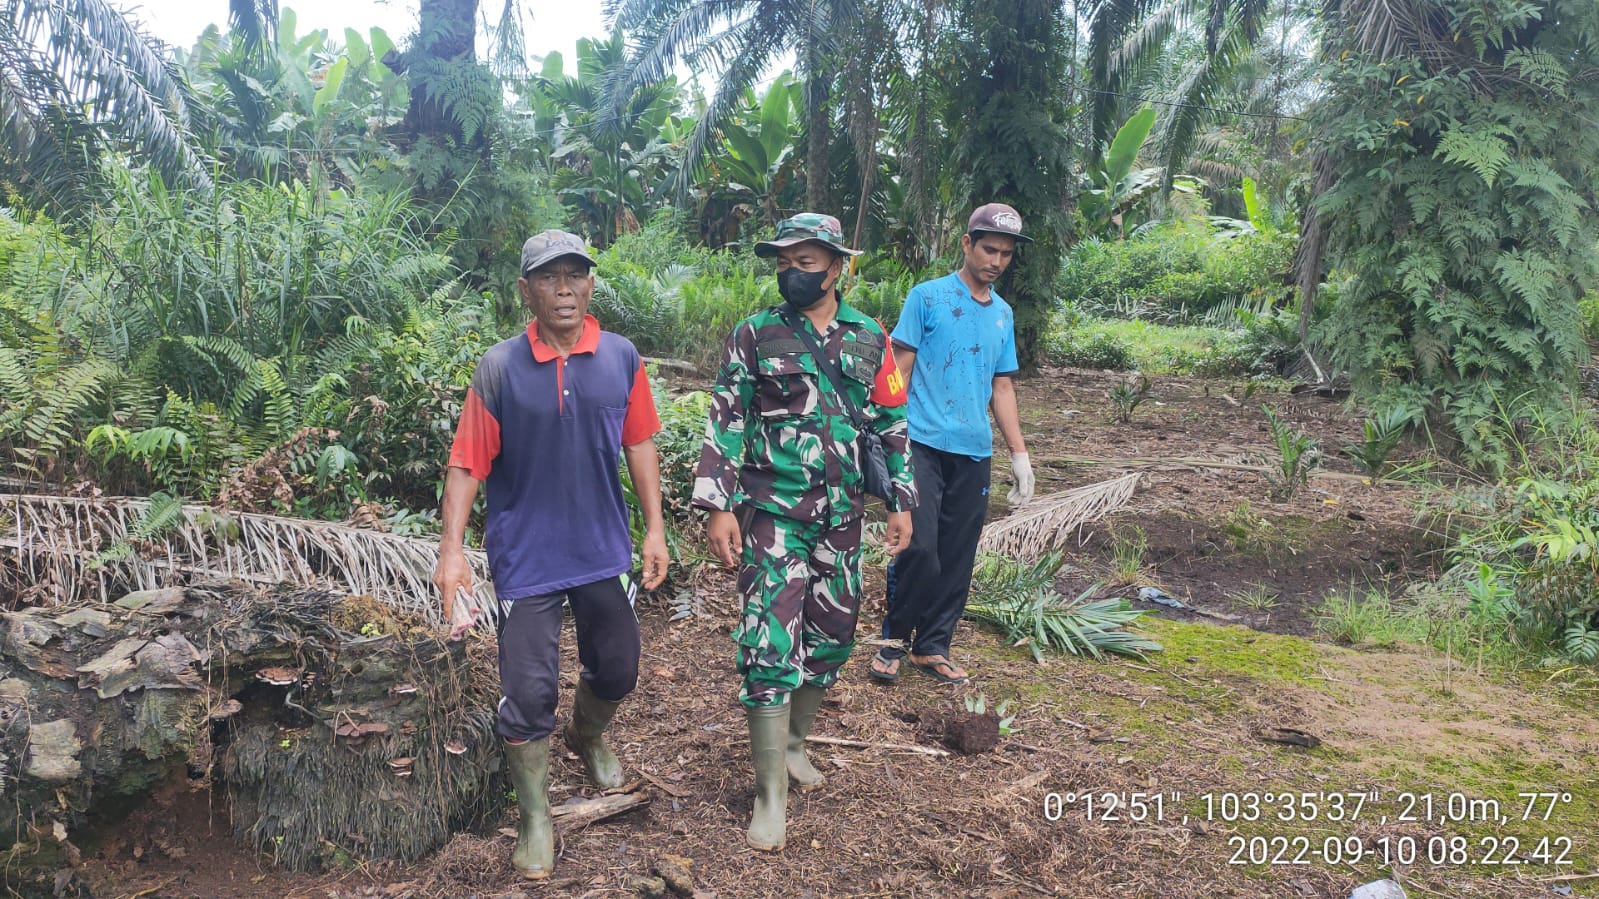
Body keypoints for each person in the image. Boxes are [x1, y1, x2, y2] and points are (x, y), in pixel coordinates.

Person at [431, 229, 669, 881]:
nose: (564, 288)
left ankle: (587, 734)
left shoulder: (619, 357)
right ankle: (535, 813)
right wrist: (451, 550)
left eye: (575, 274)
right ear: (525, 290)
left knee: (618, 667)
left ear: (591, 283)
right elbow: (465, 463)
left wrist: (654, 528)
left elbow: (641, 442)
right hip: (527, 554)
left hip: (600, 548)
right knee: (528, 689)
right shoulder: (501, 368)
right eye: (548, 277)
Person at [692, 213, 917, 852]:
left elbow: (892, 419)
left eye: (807, 261)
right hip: (771, 511)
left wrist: (901, 500)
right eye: (785, 261)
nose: (794, 272)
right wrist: (718, 505)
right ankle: (769, 795)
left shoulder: (872, 337)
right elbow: (726, 416)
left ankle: (793, 745)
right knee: (768, 640)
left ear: (838, 266)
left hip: (843, 514)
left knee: (832, 640)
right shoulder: (754, 335)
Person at [870, 203, 1036, 686]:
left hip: (973, 450)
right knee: (920, 547)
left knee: (959, 553)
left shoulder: (1003, 316)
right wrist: (885, 429)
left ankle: (932, 646)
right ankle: (894, 638)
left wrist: (1019, 455)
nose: (997, 261)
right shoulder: (928, 298)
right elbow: (900, 366)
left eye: (1006, 254)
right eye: (989, 249)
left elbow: (1002, 387)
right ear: (966, 244)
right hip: (921, 440)